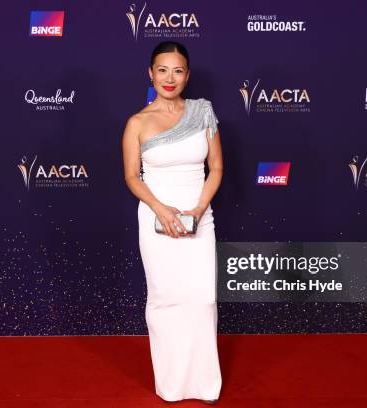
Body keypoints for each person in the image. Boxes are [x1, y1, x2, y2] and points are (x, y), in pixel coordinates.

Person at [122, 41, 223, 404]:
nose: (169, 78)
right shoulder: (137, 122)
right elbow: (133, 177)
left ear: (187, 75)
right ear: (150, 73)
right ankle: (171, 384)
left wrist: (196, 210)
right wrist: (161, 209)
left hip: (199, 217)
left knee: (202, 300)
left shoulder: (203, 113)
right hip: (155, 218)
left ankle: (203, 385)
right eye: (162, 70)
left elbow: (217, 168)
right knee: (166, 299)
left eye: (177, 70)